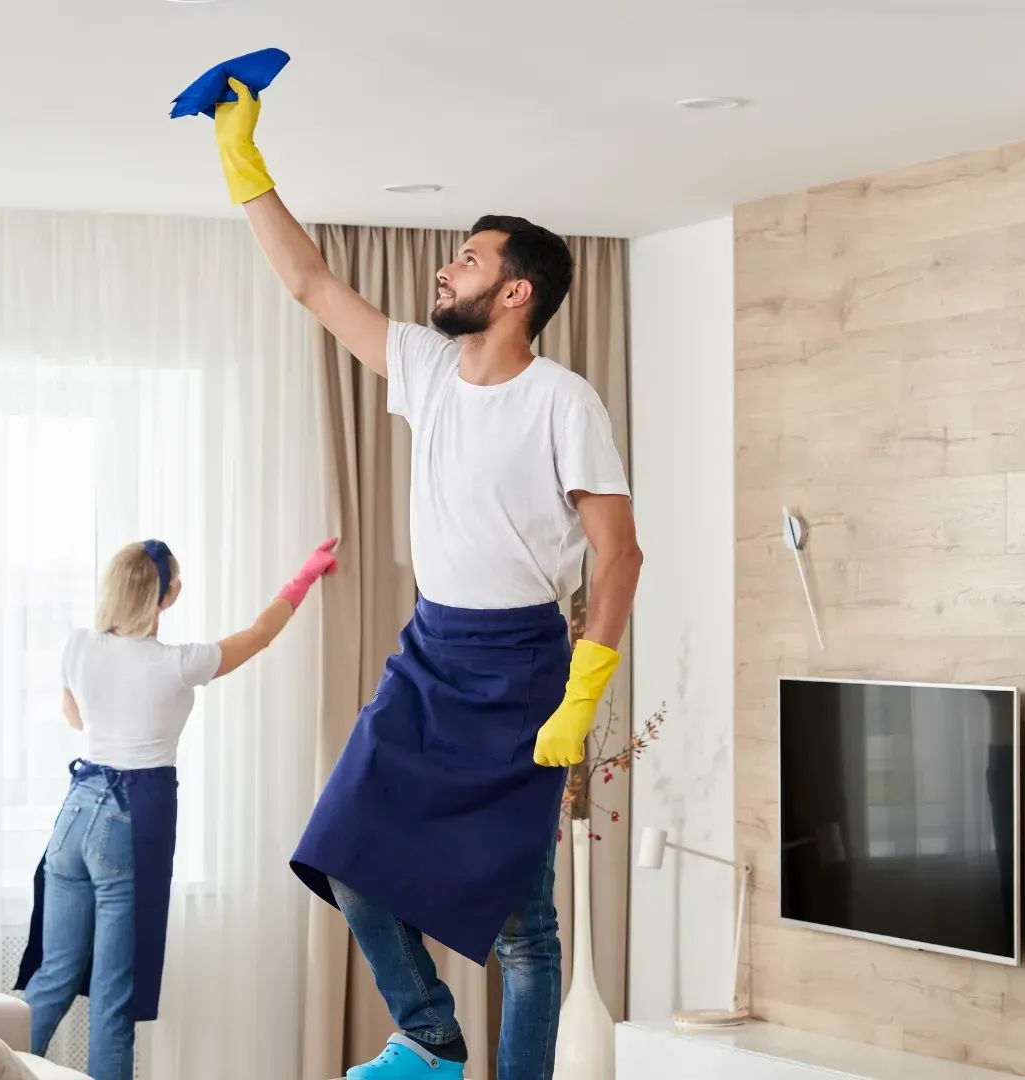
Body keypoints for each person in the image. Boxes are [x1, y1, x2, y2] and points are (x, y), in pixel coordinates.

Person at [196, 79, 644, 1079]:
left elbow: (620, 558)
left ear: (516, 290)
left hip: (527, 666)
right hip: (431, 651)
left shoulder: (563, 402)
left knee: (526, 929)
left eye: (467, 260)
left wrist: (582, 697)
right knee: (343, 850)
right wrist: (243, 160)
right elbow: (312, 284)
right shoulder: (427, 371)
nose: (445, 272)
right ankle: (432, 1034)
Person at [15, 537, 338, 1080]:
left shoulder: (78, 646)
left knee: (53, 976)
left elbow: (76, 719)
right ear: (166, 596)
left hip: (74, 815)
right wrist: (302, 578)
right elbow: (258, 637)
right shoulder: (177, 664)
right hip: (128, 820)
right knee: (114, 996)